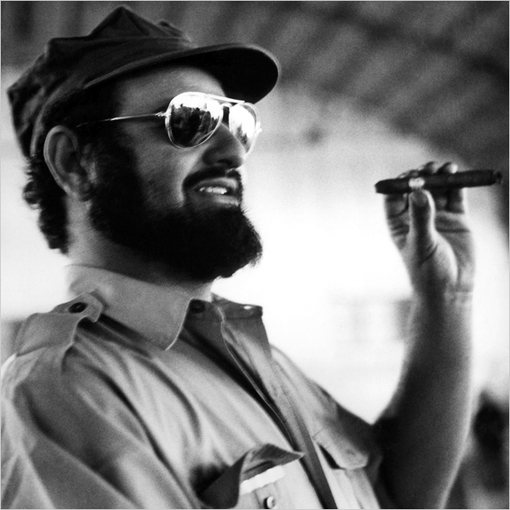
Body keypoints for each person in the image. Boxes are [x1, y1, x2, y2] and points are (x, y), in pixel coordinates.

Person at [1, 6, 475, 509]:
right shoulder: (70, 394)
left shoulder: (251, 355)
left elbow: (395, 494)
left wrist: (446, 298)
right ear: (75, 163)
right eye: (190, 120)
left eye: (239, 122)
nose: (234, 150)